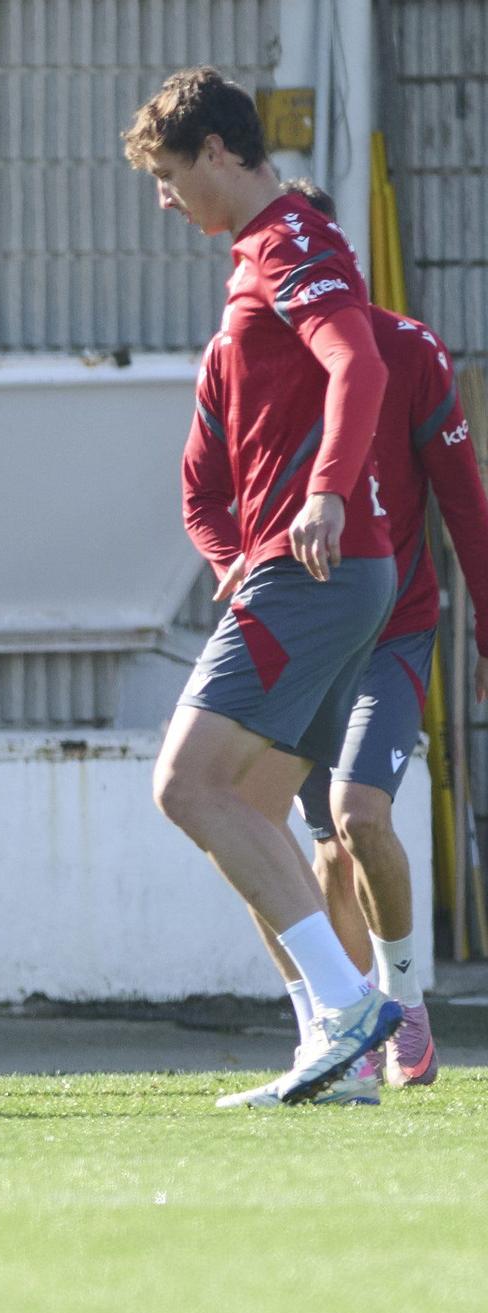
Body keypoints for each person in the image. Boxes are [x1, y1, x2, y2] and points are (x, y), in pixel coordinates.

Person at [124, 67, 401, 1107]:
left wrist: (324, 494)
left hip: (316, 566)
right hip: (318, 567)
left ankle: (348, 1006)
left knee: (182, 785)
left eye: (164, 174)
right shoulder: (260, 253)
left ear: (211, 153)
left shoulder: (288, 241)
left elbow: (359, 366)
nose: (161, 197)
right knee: (245, 806)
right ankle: (329, 1057)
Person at [263, 178, 485, 1089]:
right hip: (301, 635)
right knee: (318, 838)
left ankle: (404, 1003)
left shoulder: (404, 350)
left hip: (394, 625)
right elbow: (210, 495)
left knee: (360, 815)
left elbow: (467, 505)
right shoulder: (253, 353)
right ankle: (345, 1032)